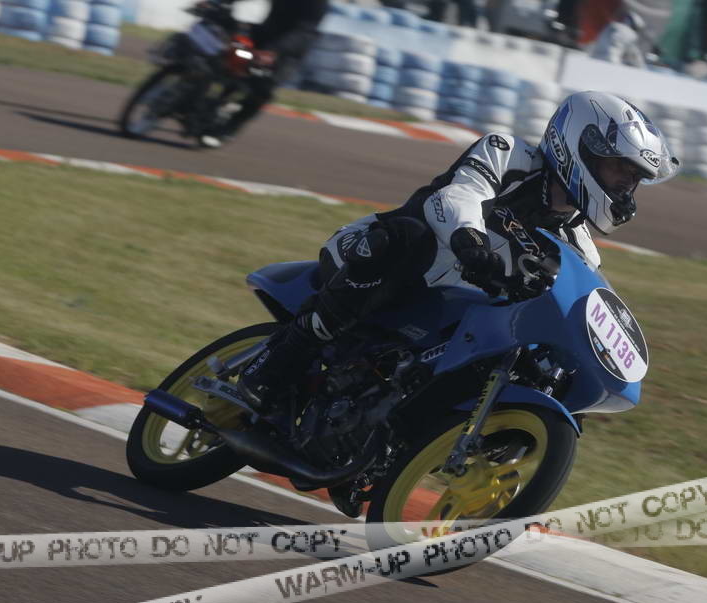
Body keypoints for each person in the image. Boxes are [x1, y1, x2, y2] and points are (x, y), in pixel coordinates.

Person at [237, 91, 680, 412]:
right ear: (580, 145)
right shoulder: (509, 156)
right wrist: (473, 246)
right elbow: (456, 198)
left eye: (635, 178)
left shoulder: (580, 245)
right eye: (620, 169)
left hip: (443, 315)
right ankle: (278, 362)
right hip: (376, 257)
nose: (626, 186)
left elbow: (578, 296)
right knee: (407, 237)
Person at [201, 0, 329, 146]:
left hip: (288, 50)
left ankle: (229, 128)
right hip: (264, 34)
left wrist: (274, 51)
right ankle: (196, 94)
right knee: (224, 46)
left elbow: (303, 32)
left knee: (264, 89)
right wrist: (218, 3)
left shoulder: (317, 3)